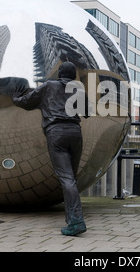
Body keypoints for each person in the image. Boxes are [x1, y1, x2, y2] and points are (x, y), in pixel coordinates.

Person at [12, 61, 87, 236]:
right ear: (74, 75)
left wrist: (16, 98)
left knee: (67, 179)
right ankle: (72, 220)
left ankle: (76, 221)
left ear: (59, 73)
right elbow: (87, 112)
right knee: (71, 179)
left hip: (56, 133)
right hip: (75, 133)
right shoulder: (78, 89)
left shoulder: (48, 86)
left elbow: (27, 102)